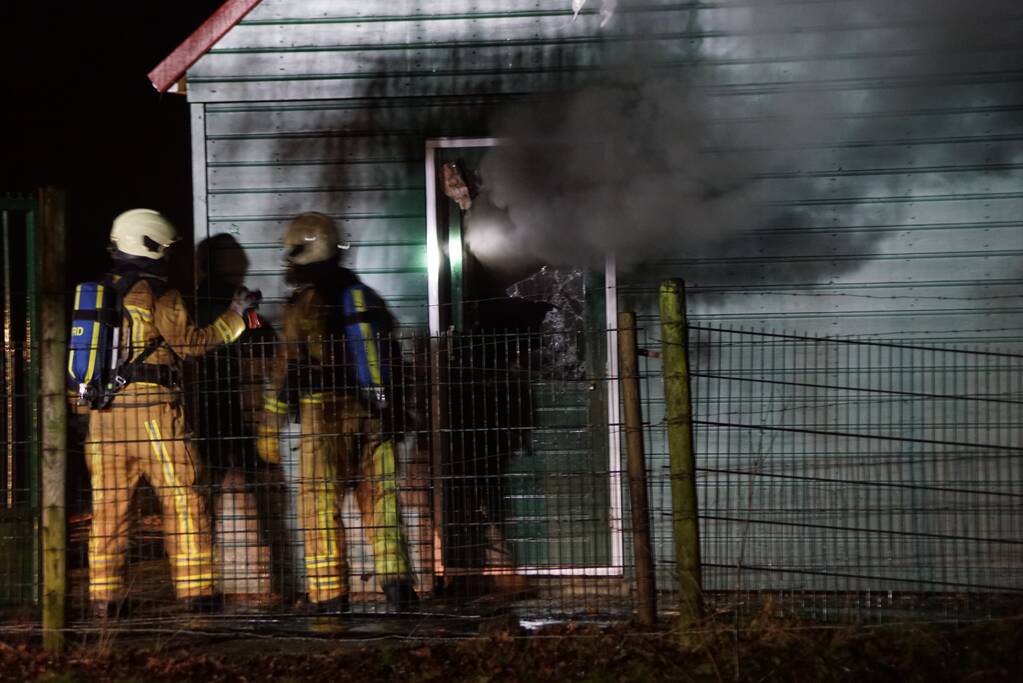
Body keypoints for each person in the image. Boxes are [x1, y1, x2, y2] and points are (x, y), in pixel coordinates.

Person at [85, 208, 259, 618]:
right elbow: (193, 344)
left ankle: (104, 598)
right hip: (152, 416)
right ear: (153, 245)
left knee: (109, 508)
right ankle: (198, 593)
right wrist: (235, 316)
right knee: (183, 499)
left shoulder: (96, 294)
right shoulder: (159, 295)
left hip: (101, 417)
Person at [255, 211, 418, 612]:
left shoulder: (303, 306)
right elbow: (392, 356)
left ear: (304, 255)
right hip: (372, 416)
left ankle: (329, 599)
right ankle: (398, 590)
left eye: (291, 256)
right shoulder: (365, 297)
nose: (287, 264)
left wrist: (269, 426)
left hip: (322, 417)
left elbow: (285, 370)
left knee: (318, 505)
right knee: (381, 502)